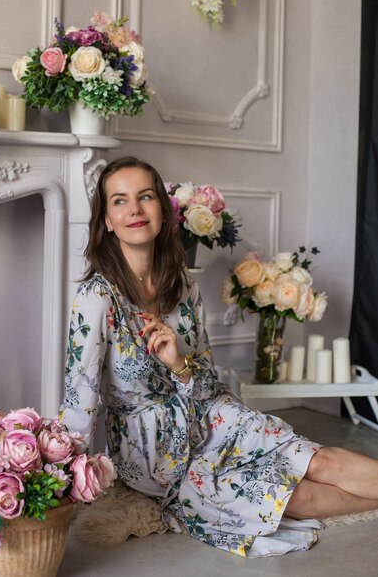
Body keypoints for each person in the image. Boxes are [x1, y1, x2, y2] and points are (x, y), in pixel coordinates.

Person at [59, 156, 378, 558]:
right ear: (106, 219)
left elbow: (208, 382)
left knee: (322, 462)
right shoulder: (95, 298)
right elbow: (79, 399)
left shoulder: (183, 288)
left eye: (145, 197)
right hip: (154, 454)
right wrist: (63, 482)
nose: (135, 209)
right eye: (120, 201)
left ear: (161, 209)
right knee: (299, 500)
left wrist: (178, 363)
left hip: (214, 416)